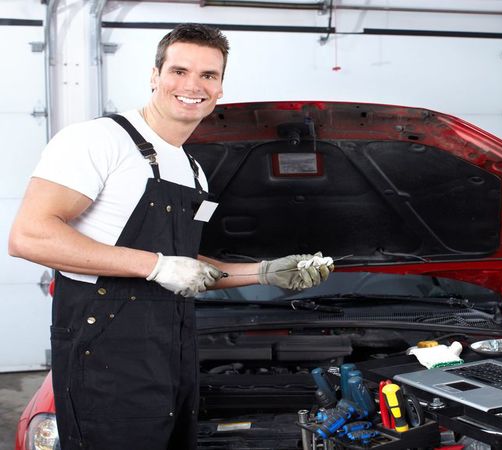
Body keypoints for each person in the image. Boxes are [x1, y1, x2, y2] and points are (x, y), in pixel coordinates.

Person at [8, 23, 331, 450]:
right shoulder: (98, 140)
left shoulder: (192, 170)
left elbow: (187, 267)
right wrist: (156, 266)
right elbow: (29, 235)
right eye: (179, 71)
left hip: (173, 349)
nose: (193, 85)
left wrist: (265, 273)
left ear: (220, 88)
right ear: (154, 75)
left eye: (208, 75)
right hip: (105, 352)